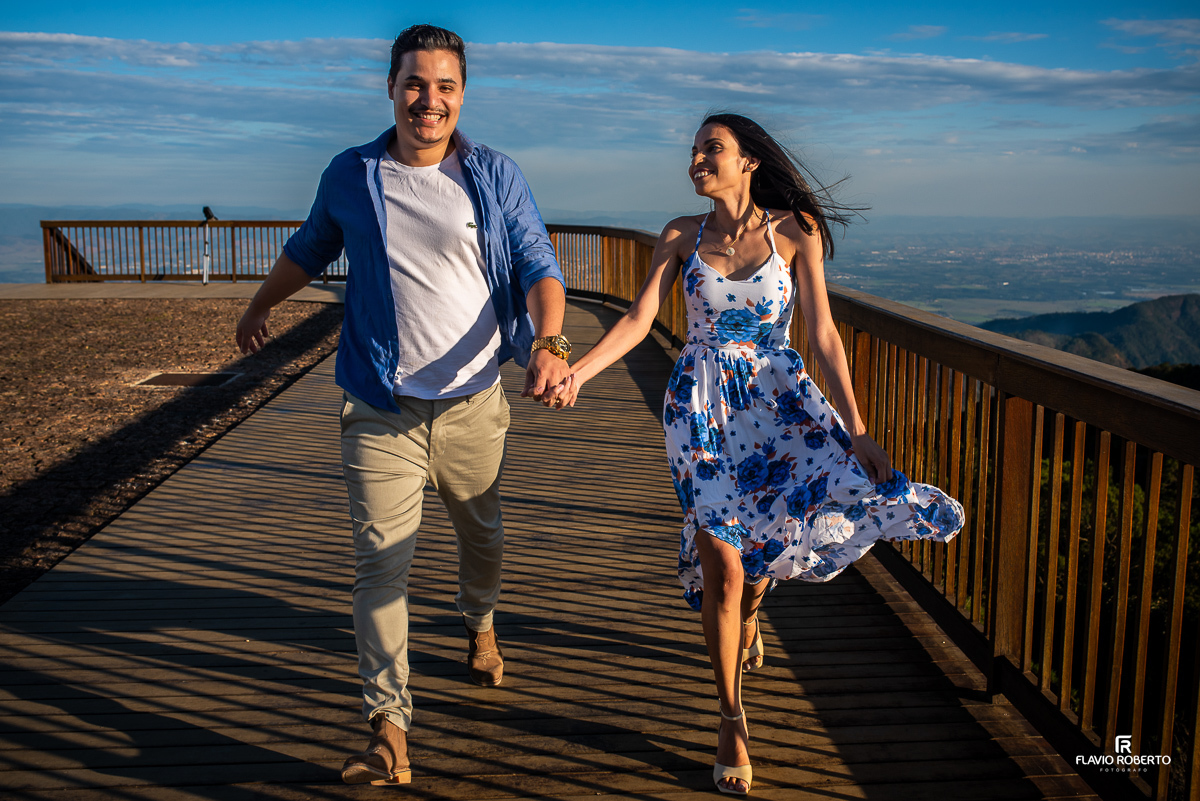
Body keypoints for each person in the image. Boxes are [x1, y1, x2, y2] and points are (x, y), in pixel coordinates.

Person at [547, 113, 965, 795]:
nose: (697, 158)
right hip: (701, 409)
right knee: (721, 552)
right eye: (694, 150)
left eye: (712, 148)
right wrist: (578, 373)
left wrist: (857, 428)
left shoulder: (795, 232)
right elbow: (638, 317)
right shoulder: (682, 235)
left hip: (777, 406)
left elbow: (825, 334)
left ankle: (747, 612)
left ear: (749, 163)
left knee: (758, 551)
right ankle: (731, 715)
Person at [234, 24, 573, 787]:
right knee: (379, 564)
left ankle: (479, 619)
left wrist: (550, 344)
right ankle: (389, 727)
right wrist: (259, 305)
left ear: (462, 94)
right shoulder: (353, 173)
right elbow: (309, 246)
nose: (430, 100)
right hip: (379, 402)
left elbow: (537, 265)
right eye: (415, 84)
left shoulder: (492, 174)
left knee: (482, 536)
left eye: (445, 86)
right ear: (390, 87)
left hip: (474, 404)